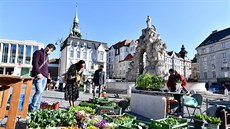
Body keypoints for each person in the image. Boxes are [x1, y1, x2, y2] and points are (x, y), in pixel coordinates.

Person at [29, 44, 56, 111]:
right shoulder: (38, 52)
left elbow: (44, 65)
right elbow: (34, 63)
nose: (51, 52)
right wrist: (38, 73)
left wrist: (47, 75)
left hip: (45, 76)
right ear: (47, 48)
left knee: (41, 92)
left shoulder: (47, 56)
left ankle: (37, 107)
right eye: (51, 50)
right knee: (39, 91)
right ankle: (32, 107)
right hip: (39, 75)